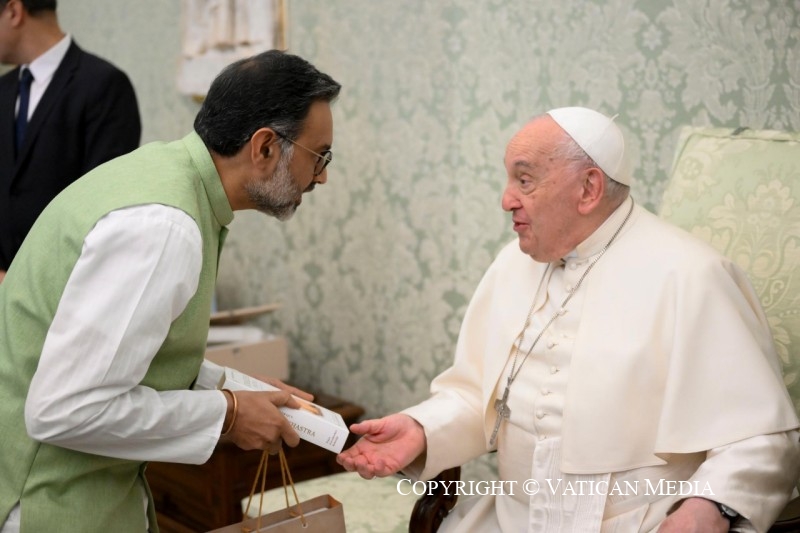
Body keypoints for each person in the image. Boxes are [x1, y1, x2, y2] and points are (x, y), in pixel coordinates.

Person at [337, 107, 800, 532]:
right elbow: (478, 396)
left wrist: (708, 507)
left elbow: (760, 439)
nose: (506, 200)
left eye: (525, 181)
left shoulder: (692, 275)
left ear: (588, 188)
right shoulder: (511, 265)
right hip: (510, 519)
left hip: (638, 524)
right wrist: (421, 430)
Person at [0, 49, 341, 532]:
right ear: (265, 147)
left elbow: (122, 354)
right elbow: (65, 409)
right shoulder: (164, 226)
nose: (322, 175)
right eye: (319, 156)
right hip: (44, 503)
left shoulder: (163, 176)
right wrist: (228, 415)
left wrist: (238, 389)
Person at [0, 0, 142, 281]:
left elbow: (104, 207)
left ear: (14, 12)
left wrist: (23, 283)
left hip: (64, 291)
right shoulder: (3, 89)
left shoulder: (104, 85)